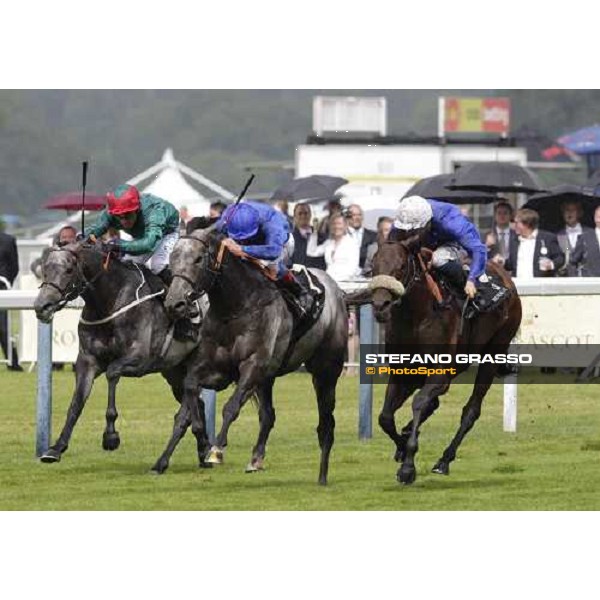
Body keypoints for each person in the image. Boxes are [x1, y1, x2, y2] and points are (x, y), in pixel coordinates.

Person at [85, 184, 197, 341]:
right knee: (126, 267)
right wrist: (81, 239)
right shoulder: (112, 212)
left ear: (137, 209)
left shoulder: (154, 212)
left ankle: (186, 313)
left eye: (128, 215)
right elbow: (96, 229)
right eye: (120, 217)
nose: (124, 221)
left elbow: (148, 244)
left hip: (168, 232)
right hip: (143, 235)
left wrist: (118, 245)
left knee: (157, 265)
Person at [392, 195, 510, 315]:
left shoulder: (451, 222)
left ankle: (468, 295)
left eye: (415, 230)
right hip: (428, 239)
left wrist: (471, 280)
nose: (410, 233)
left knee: (438, 259)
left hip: (451, 243)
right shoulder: (405, 216)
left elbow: (478, 250)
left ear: (427, 222)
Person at [215, 201, 313, 319]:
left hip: (281, 243)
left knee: (270, 264)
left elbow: (273, 251)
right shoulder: (227, 218)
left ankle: (299, 291)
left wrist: (242, 248)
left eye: (246, 237)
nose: (243, 240)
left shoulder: (272, 223)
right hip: (252, 240)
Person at [505, 208, 564, 278]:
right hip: (519, 284)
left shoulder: (547, 238)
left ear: (527, 224)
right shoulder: (515, 241)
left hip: (540, 284)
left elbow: (560, 258)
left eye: (516, 223)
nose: (513, 225)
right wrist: (502, 262)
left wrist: (551, 264)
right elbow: (511, 264)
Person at [307, 213, 361, 283]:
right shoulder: (328, 243)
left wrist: (332, 279)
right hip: (329, 283)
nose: (336, 226)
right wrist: (314, 233)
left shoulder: (352, 243)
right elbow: (311, 252)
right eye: (334, 224)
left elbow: (352, 269)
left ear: (345, 226)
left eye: (339, 223)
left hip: (346, 284)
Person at [0, 219, 22, 370]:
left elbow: (14, 266)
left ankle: (13, 362)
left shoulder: (8, 240)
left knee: (3, 327)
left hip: (2, 288)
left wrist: (6, 282)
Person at [556, 200, 590, 276]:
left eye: (572, 210)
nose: (569, 213)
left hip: (589, 277)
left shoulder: (590, 233)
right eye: (566, 210)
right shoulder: (557, 235)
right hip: (567, 277)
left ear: (579, 213)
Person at [290, 203, 326, 270]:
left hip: (318, 276)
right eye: (300, 213)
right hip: (299, 277)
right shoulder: (290, 238)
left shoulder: (321, 236)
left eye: (306, 213)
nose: (303, 216)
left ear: (310, 215)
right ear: (294, 216)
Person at [484, 202, 518, 269]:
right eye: (499, 213)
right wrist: (487, 246)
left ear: (510, 216)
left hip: (512, 270)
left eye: (505, 213)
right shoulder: (487, 235)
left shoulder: (516, 234)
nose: (502, 216)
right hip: (493, 269)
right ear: (495, 216)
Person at [570, 205, 600, 276]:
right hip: (590, 281)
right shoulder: (585, 237)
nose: (599, 220)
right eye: (598, 217)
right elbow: (573, 261)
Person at [345, 204, 377, 269]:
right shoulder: (340, 236)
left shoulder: (374, 236)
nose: (357, 218)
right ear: (347, 217)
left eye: (359, 215)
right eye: (353, 215)